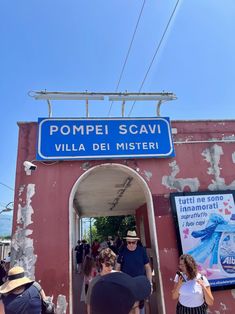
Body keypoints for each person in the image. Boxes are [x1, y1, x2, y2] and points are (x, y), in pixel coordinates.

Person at [115, 230, 152, 313]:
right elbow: (117, 267)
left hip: (140, 285)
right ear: (126, 242)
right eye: (129, 242)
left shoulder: (141, 251)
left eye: (133, 242)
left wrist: (150, 283)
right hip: (126, 286)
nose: (131, 244)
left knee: (142, 306)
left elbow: (148, 267)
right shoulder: (122, 251)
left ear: (136, 242)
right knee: (129, 308)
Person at [86, 248, 116, 314]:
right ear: (102, 262)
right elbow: (89, 304)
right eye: (108, 264)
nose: (110, 267)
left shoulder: (118, 278)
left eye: (112, 264)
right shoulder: (94, 282)